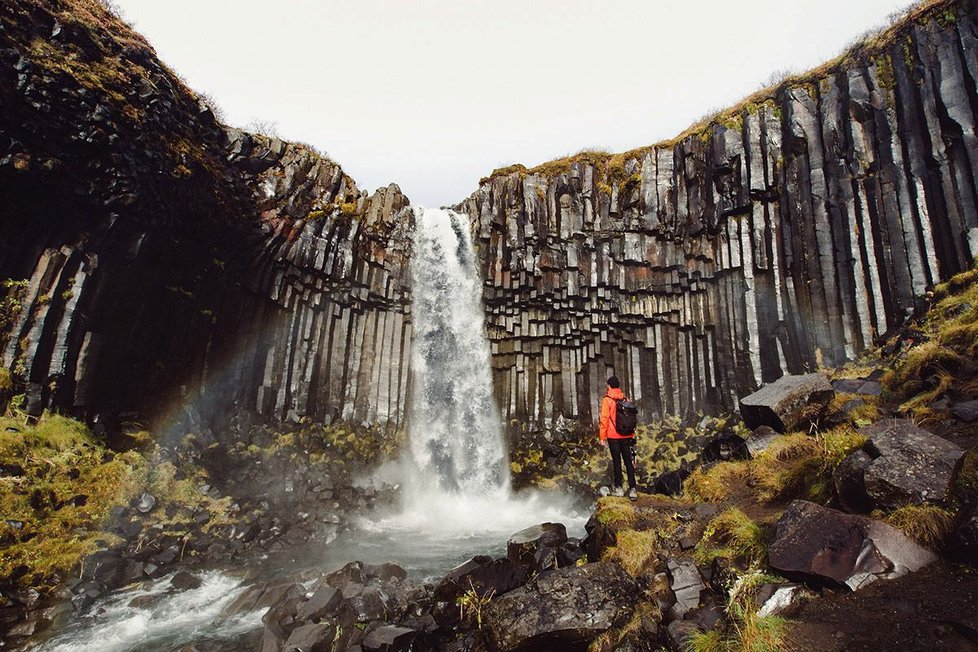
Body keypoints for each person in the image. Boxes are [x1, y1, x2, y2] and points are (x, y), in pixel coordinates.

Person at [599, 375, 638, 500]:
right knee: (628, 461)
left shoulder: (607, 400)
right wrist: (632, 435)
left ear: (609, 385)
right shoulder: (625, 398)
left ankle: (619, 488)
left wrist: (602, 437)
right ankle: (632, 489)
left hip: (613, 436)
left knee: (617, 461)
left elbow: (604, 419)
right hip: (626, 434)